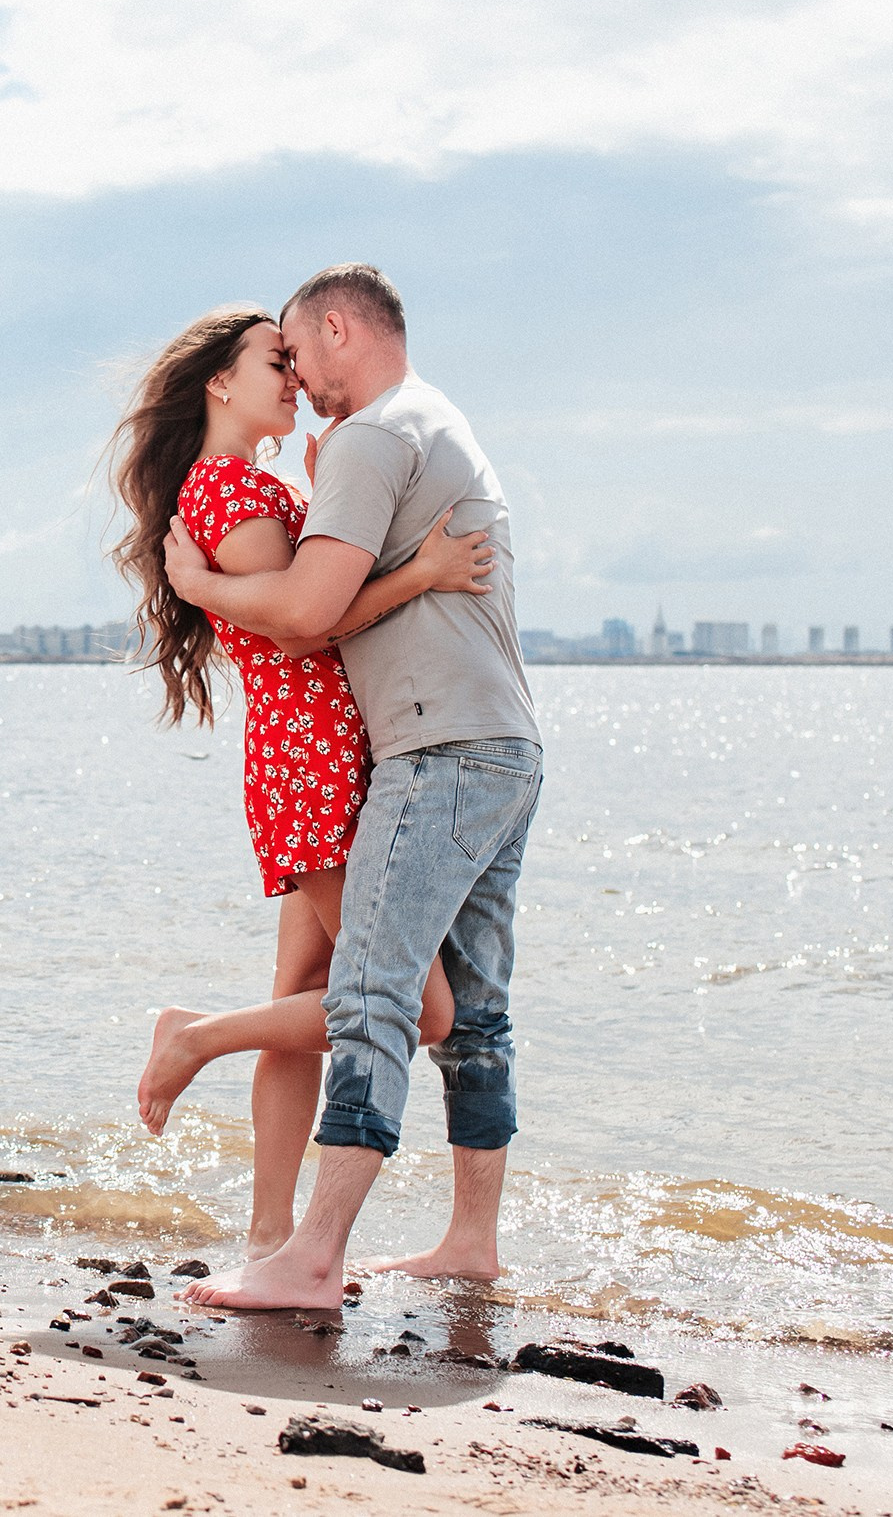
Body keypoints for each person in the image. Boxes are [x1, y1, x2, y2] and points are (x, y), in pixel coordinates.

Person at [163, 264, 541, 1308]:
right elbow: (302, 612)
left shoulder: (366, 440)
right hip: (388, 747)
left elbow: (309, 604)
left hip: (396, 748)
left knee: (385, 1000)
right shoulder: (392, 432)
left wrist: (203, 584)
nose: (295, 379)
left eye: (296, 355)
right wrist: (199, 586)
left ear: (337, 330)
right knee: (431, 1009)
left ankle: (293, 1233)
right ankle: (320, 1241)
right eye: (271, 364)